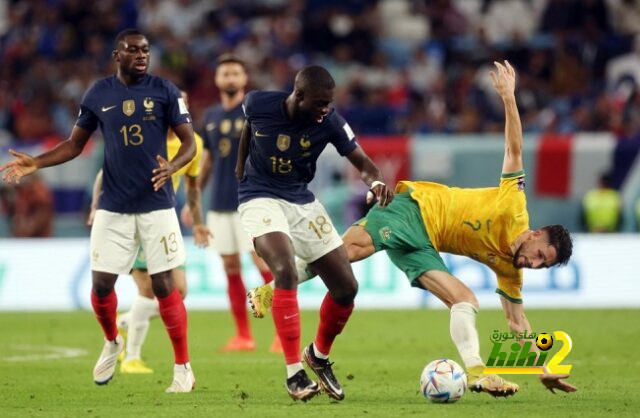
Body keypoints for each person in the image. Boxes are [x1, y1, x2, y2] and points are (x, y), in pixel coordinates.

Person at [248, 61, 578, 398]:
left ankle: (479, 373)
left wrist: (544, 366)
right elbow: (514, 150)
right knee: (344, 255)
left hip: (425, 246)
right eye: (540, 256)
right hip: (413, 208)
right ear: (536, 234)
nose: (534, 265)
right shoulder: (514, 204)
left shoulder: (511, 269)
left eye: (543, 265)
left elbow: (518, 325)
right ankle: (273, 290)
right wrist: (509, 97)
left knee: (464, 299)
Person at [1, 29, 196, 393]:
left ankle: (183, 367)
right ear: (116, 55)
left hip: (157, 205)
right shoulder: (98, 93)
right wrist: (37, 163)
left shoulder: (165, 91)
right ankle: (111, 342)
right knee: (102, 284)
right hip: (114, 205)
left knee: (164, 284)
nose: (141, 55)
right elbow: (75, 145)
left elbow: (189, 144)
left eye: (145, 50)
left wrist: (171, 166)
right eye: (133, 50)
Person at [235, 65, 393, 401]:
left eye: (329, 103)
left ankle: (318, 356)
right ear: (299, 95)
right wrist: (240, 167)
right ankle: (294, 374)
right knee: (285, 270)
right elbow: (249, 128)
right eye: (320, 103)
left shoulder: (331, 122)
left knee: (346, 288)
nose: (326, 109)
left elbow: (364, 163)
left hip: (302, 201)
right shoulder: (258, 103)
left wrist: (376, 181)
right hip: (259, 196)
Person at [87, 91, 211, 375]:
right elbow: (105, 173)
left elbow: (193, 185)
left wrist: (199, 220)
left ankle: (127, 321)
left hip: (162, 219)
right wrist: (96, 206)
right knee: (147, 288)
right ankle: (131, 357)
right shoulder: (142, 135)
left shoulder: (194, 143)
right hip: (131, 218)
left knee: (179, 291)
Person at [199, 54, 279, 353]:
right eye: (225, 73)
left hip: (251, 200)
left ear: (245, 79)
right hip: (219, 203)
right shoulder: (210, 117)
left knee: (264, 264)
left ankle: (282, 333)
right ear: (217, 80)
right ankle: (243, 336)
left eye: (235, 73)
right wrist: (194, 200)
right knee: (230, 266)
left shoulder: (254, 113)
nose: (230, 78)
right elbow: (207, 161)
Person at [0, 173, 53, 237]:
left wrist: (28, 229)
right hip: (23, 235)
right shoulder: (20, 192)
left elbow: (42, 213)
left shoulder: (38, 191)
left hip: (38, 237)